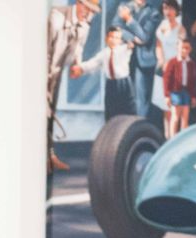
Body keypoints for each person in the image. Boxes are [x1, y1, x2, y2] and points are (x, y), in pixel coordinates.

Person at [46, 0, 99, 171]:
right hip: (42, 73)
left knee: (50, 115)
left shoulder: (85, 26)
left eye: (93, 11)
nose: (89, 14)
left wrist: (77, 65)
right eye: (87, 8)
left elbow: (78, 49)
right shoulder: (56, 18)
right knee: (42, 114)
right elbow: (44, 51)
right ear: (78, 3)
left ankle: (49, 156)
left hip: (57, 74)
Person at [119, 0, 160, 122]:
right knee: (125, 96)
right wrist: (132, 38)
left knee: (141, 100)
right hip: (124, 59)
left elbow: (144, 37)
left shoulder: (153, 13)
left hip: (143, 62)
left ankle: (140, 126)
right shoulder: (124, 7)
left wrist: (129, 20)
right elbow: (116, 28)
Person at [162, 34, 196, 138]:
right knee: (175, 116)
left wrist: (193, 96)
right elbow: (166, 79)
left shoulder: (191, 63)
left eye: (187, 48)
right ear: (177, 47)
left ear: (190, 49)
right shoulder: (173, 62)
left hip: (186, 92)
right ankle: (173, 138)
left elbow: (192, 81)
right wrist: (167, 95)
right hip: (175, 92)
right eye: (182, 48)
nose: (184, 50)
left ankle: (183, 138)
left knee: (185, 117)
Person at [102, 26, 136, 120]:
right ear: (106, 38)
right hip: (111, 83)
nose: (113, 40)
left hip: (124, 83)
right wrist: (81, 68)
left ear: (120, 40)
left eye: (116, 38)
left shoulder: (123, 49)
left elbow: (129, 45)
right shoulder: (105, 52)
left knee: (127, 109)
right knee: (111, 110)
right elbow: (93, 63)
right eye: (111, 37)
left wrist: (128, 42)